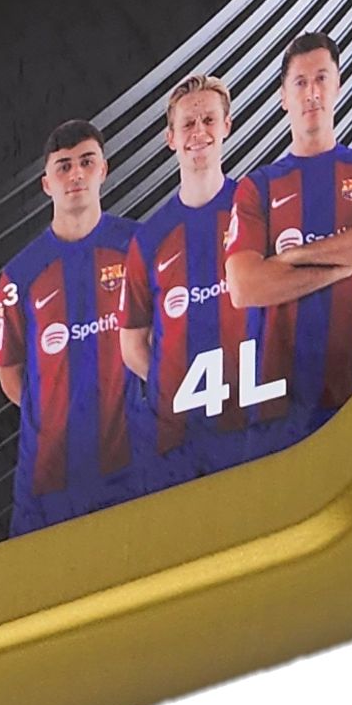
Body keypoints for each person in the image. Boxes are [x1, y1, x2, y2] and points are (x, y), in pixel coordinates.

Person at [225, 32, 352, 441]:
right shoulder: (257, 187)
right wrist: (348, 259)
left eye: (322, 78)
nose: (312, 93)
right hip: (281, 410)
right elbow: (244, 286)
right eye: (300, 82)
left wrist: (288, 260)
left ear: (338, 85)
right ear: (283, 97)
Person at [0, 119, 140, 533]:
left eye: (87, 162)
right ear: (47, 184)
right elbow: (9, 371)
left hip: (133, 469)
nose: (76, 174)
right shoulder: (20, 274)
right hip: (48, 483)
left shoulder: (139, 247)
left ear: (103, 170)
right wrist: (55, 419)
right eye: (64, 166)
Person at [121, 74, 256, 486]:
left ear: (227, 126)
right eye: (188, 124)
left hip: (257, 422)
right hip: (183, 443)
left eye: (209, 120)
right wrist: (179, 391)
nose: (199, 133)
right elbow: (132, 344)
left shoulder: (257, 209)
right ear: (171, 138)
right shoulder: (150, 238)